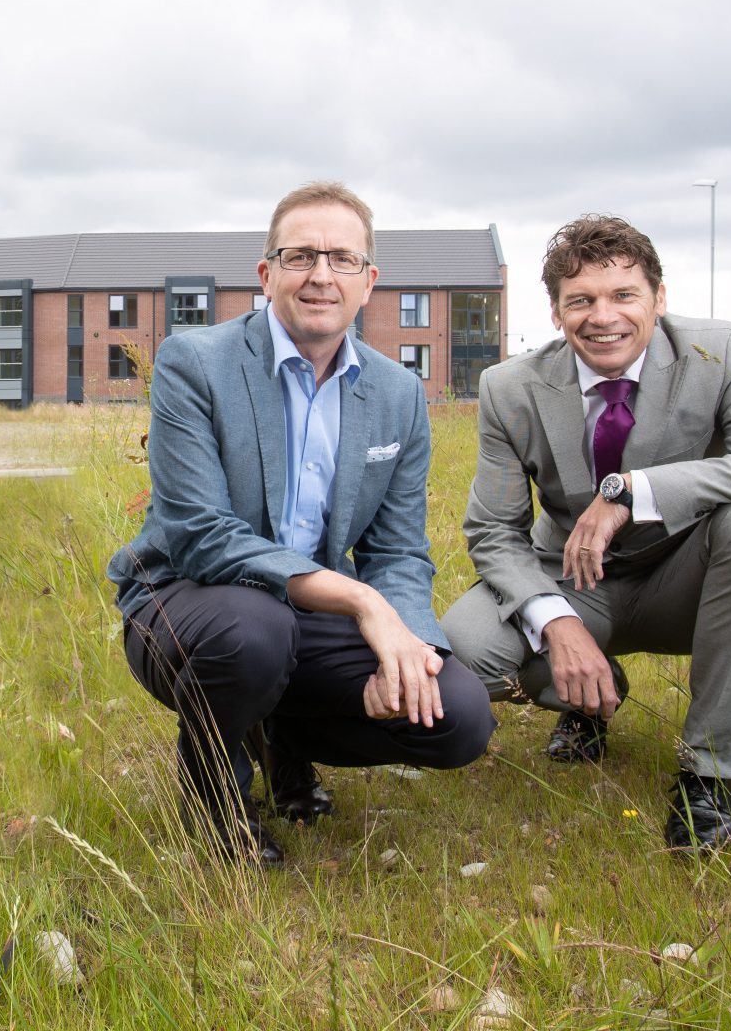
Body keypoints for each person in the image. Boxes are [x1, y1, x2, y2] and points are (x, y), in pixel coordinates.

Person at [107, 182, 495, 866]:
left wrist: (407, 648)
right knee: (254, 631)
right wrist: (361, 601)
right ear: (266, 275)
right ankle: (216, 804)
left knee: (457, 716)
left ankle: (280, 736)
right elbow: (201, 535)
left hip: (304, 617)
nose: (321, 275)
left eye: (343, 259)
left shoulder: (399, 394)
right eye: (301, 256)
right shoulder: (195, 362)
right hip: (185, 602)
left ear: (369, 281)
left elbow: (398, 551)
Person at [441, 215, 731, 852]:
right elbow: (493, 531)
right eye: (580, 300)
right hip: (574, 580)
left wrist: (632, 492)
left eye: (623, 295)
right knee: (464, 654)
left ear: (658, 297)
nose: (603, 317)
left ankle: (710, 773)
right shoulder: (509, 388)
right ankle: (592, 697)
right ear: (556, 312)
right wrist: (557, 624)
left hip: (688, 575)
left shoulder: (721, 352)